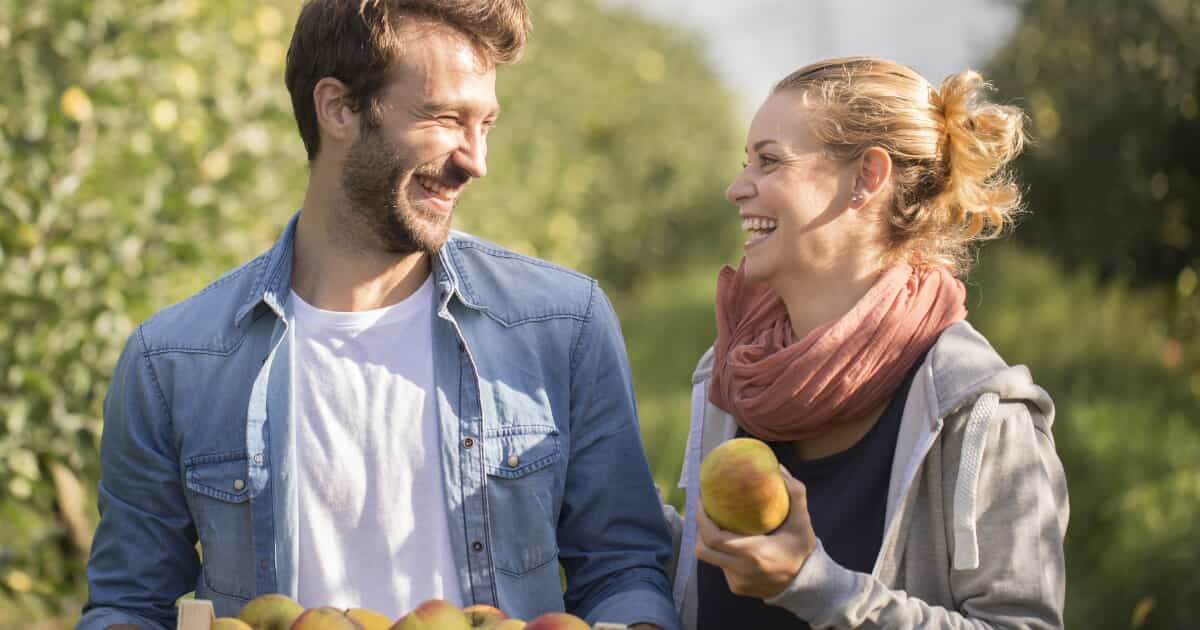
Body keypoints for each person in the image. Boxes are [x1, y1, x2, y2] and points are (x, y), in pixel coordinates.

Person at [78, 2, 679, 629]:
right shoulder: (173, 361)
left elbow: (621, 567)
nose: (476, 161)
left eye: (486, 124)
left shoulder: (562, 325)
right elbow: (129, 603)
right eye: (445, 118)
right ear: (337, 108)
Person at [667, 57, 1069, 629]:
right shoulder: (733, 373)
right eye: (744, 163)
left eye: (769, 161)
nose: (736, 188)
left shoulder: (979, 410)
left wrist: (814, 586)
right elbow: (709, 582)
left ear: (865, 178)